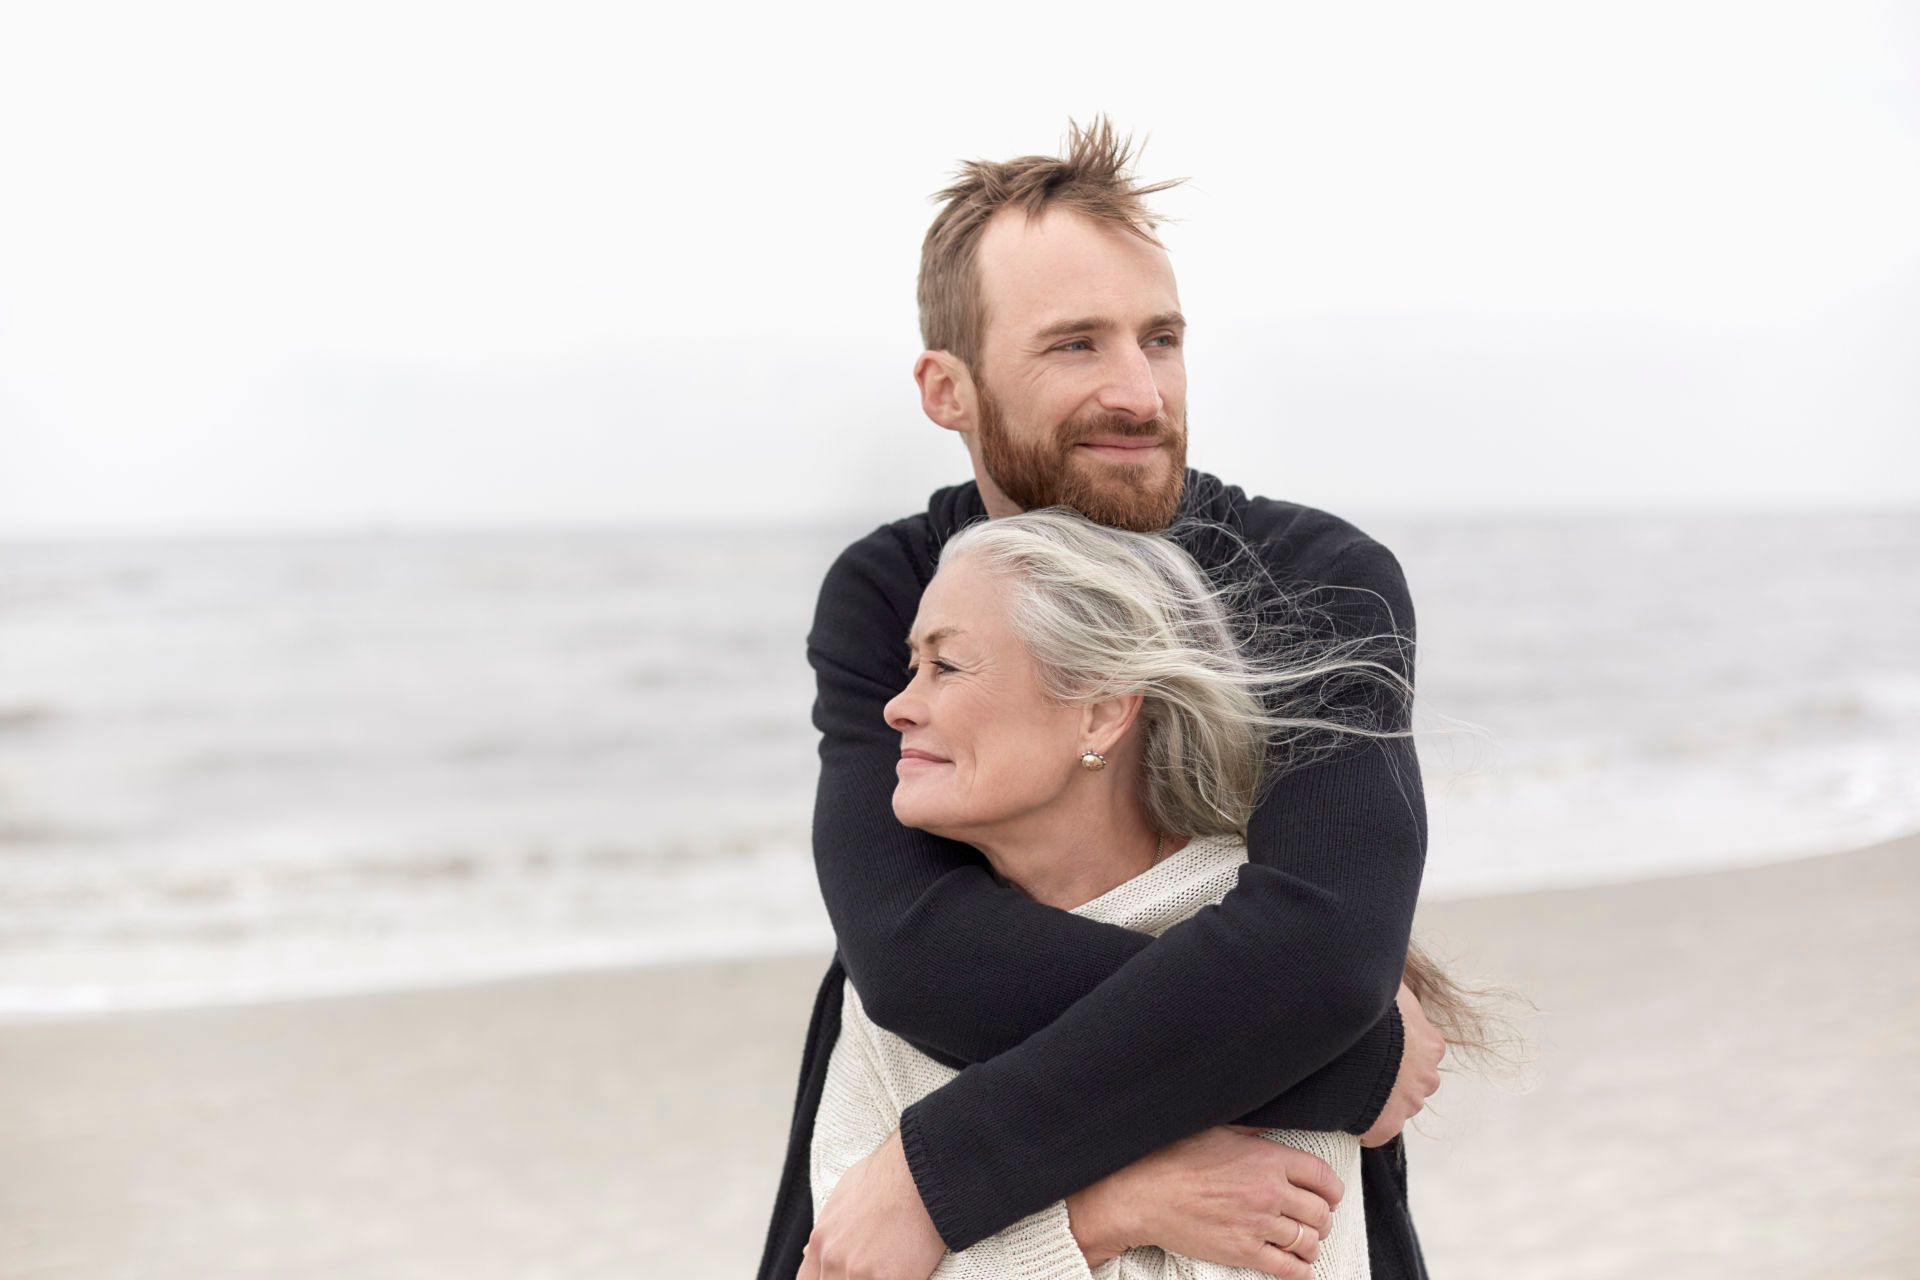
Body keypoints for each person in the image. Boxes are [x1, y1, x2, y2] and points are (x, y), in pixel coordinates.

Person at [759, 116, 1458, 1280]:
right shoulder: (894, 592)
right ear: (950, 387)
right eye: (1075, 345)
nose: (1139, 390)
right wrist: (1342, 1050)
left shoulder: (1315, 581)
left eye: (1162, 338)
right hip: (899, 1111)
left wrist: (937, 1173)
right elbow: (918, 951)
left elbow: (1324, 948)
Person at [810, 505, 1469, 1278]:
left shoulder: (1259, 953)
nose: (898, 706)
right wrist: (1109, 1212)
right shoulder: (899, 977)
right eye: (909, 667)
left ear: (1098, 712)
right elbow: (841, 1261)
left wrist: (982, 1225)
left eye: (946, 666)